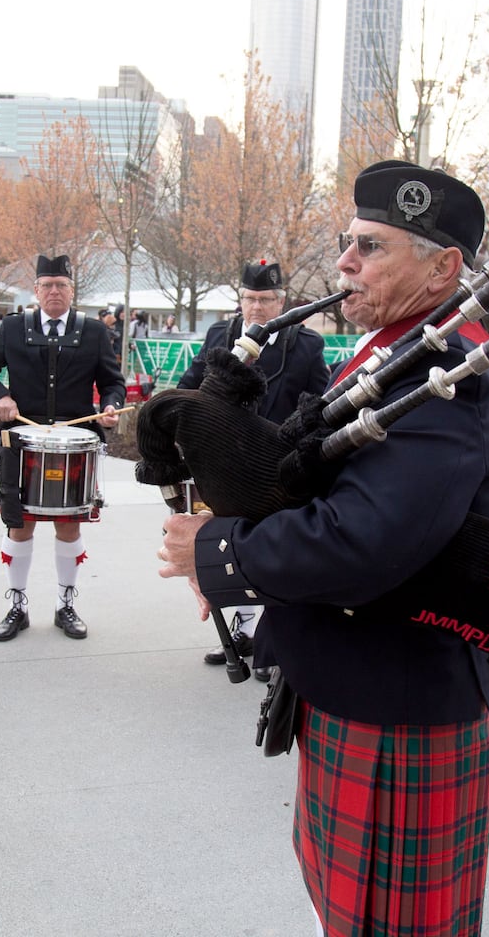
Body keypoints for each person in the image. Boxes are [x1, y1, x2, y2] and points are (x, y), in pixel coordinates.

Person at [158, 162, 489, 936]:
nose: (345, 262)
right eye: (348, 243)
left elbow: (360, 541)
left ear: (442, 267)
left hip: (396, 703)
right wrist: (229, 423)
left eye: (371, 247)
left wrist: (216, 553)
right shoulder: (390, 348)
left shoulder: (449, 375)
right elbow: (304, 471)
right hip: (353, 684)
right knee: (341, 916)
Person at [175, 260, 329, 672]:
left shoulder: (306, 345)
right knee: (230, 546)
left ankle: (273, 642)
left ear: (281, 301)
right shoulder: (219, 337)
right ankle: (242, 630)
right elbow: (190, 387)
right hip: (225, 466)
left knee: (275, 553)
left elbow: (318, 405)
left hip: (279, 469)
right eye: (249, 298)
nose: (256, 308)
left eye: (265, 299)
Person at [0, 254, 126, 642]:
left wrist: (110, 406)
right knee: (19, 525)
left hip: (74, 444)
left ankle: (65, 605)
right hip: (21, 440)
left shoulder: (92, 332)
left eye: (62, 286)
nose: (54, 292)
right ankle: (17, 606)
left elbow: (112, 382)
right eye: (47, 286)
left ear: (72, 291)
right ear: (36, 291)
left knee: (69, 524)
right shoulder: (12, 327)